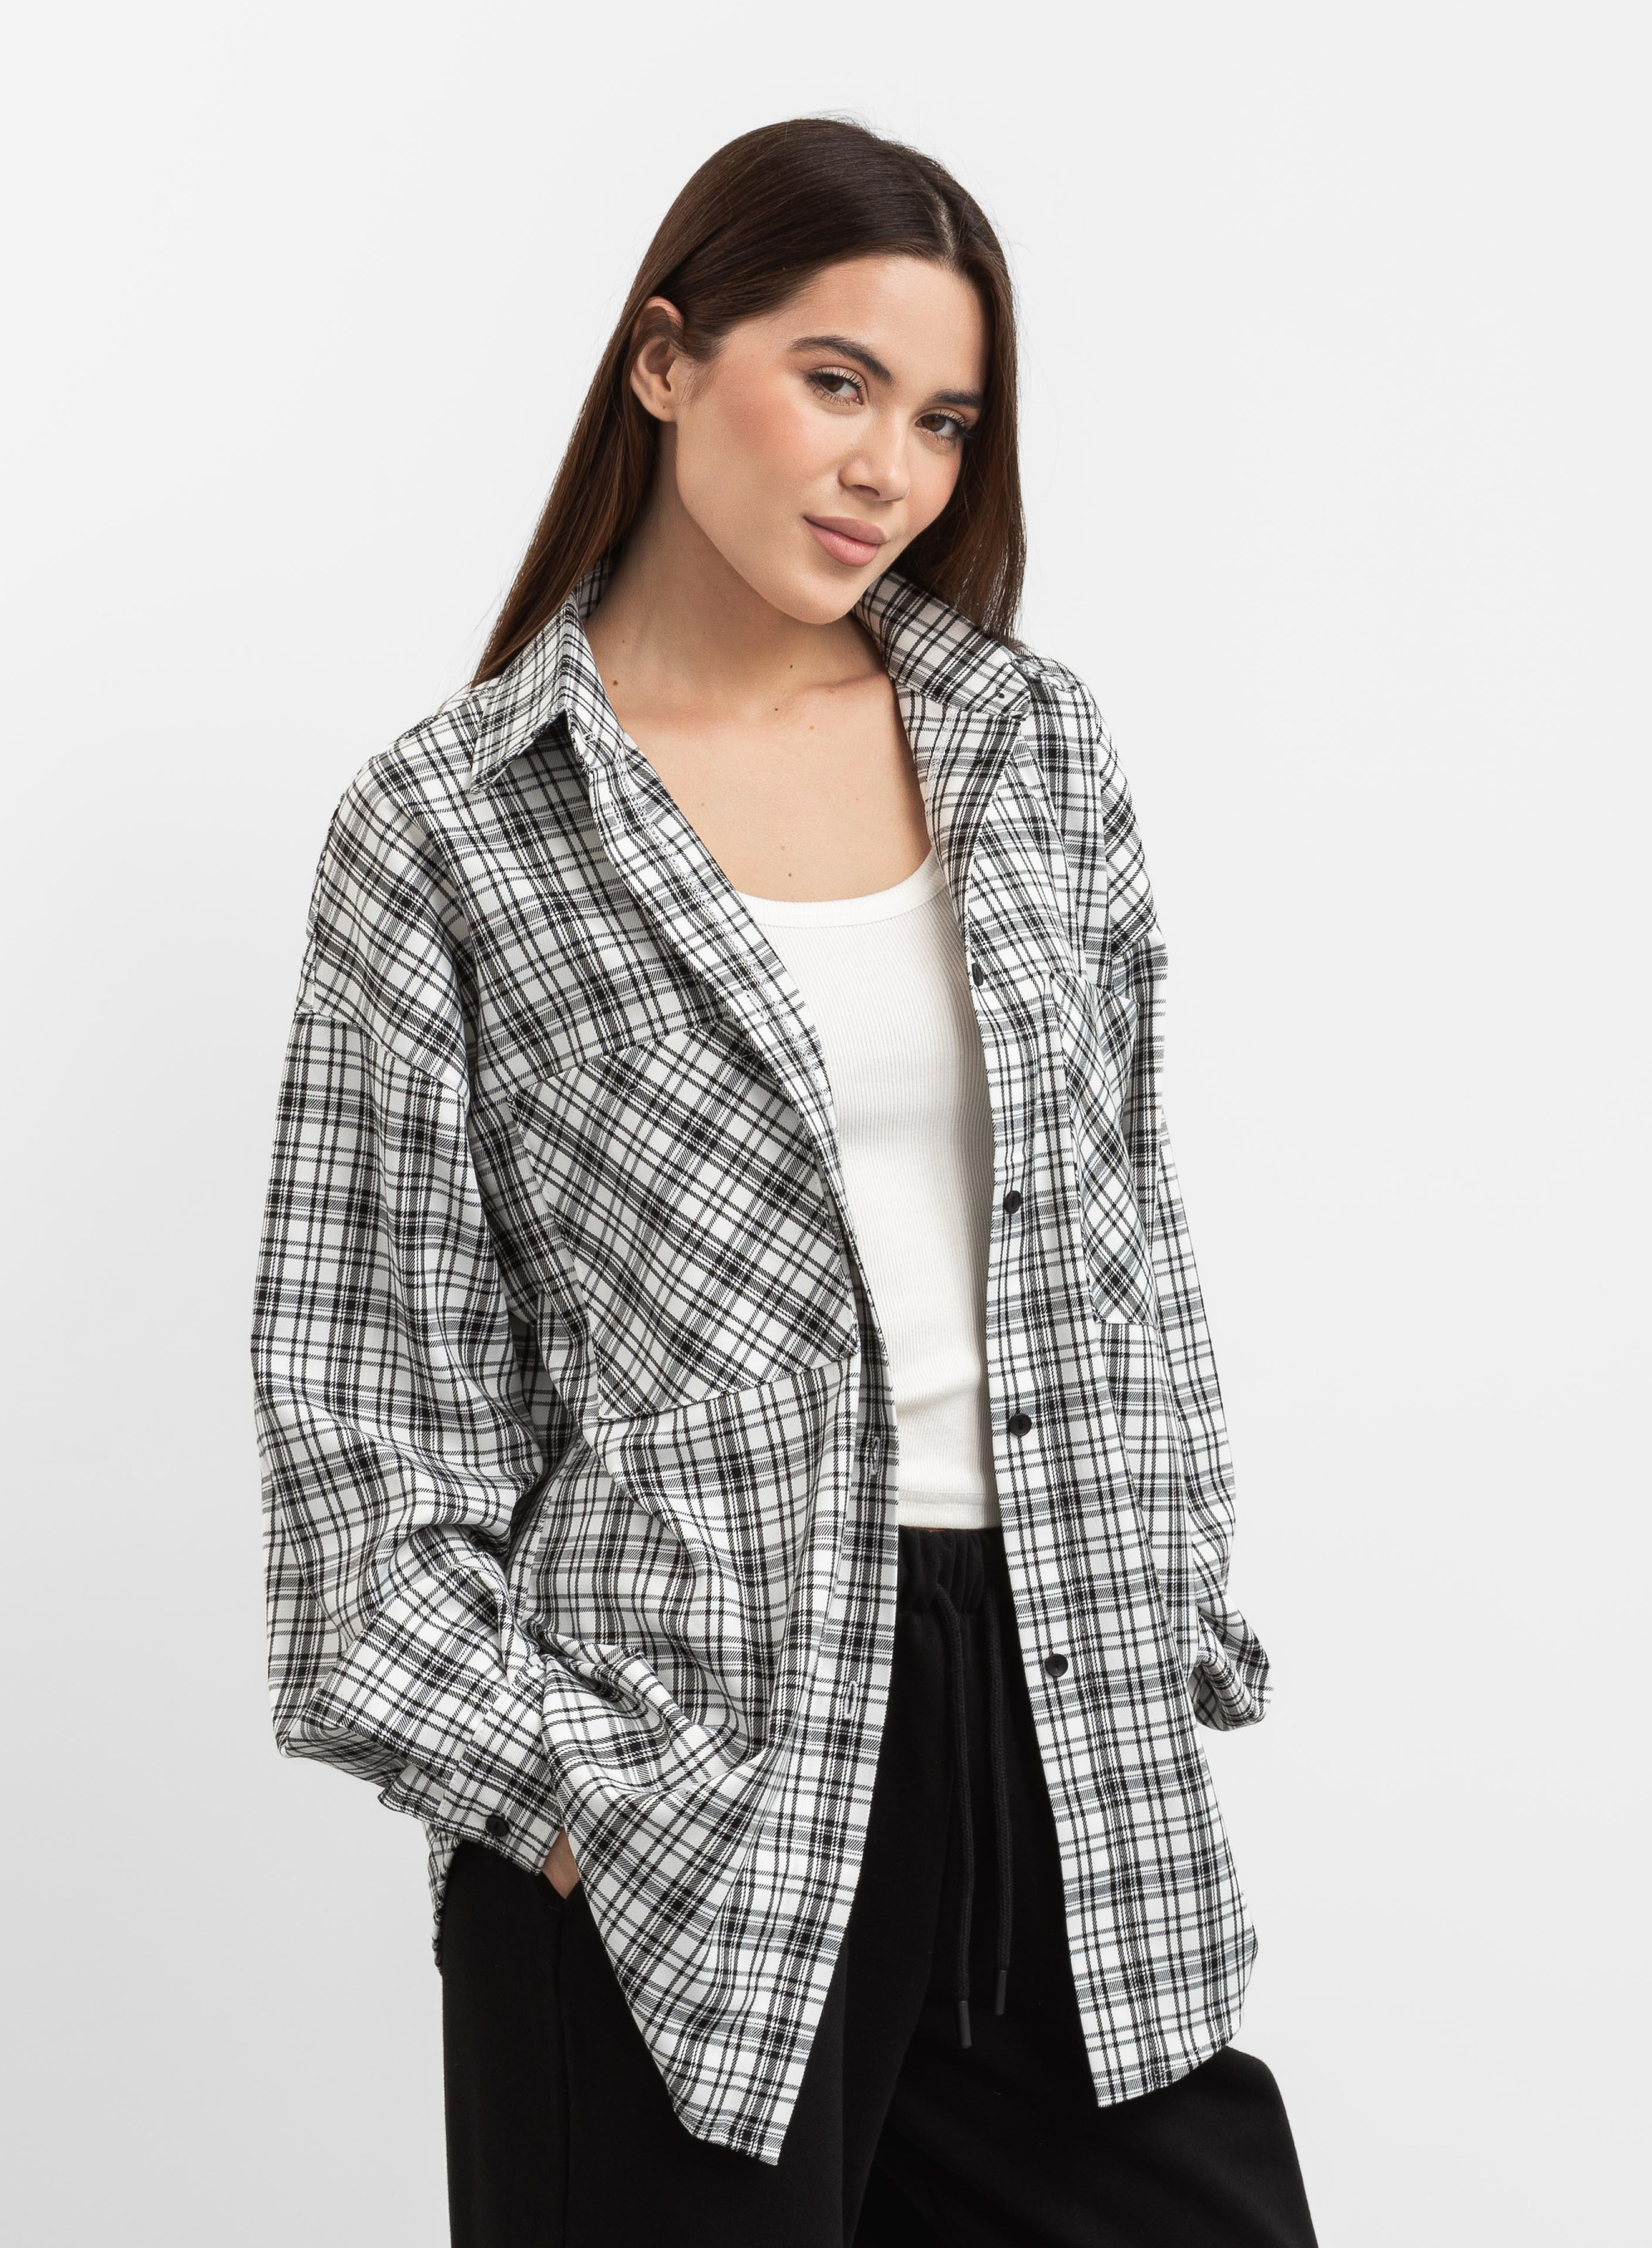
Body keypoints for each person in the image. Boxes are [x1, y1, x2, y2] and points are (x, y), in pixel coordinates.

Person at [252, 116, 1318, 2247]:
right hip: (677, 1783)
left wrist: (1166, 1597)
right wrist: (578, 1807)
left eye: (941, 421)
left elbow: (1130, 1228)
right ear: (664, 361)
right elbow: (359, 1419)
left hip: (1055, 1735)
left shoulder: (1031, 750)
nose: (887, 470)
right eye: (835, 382)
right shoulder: (452, 828)